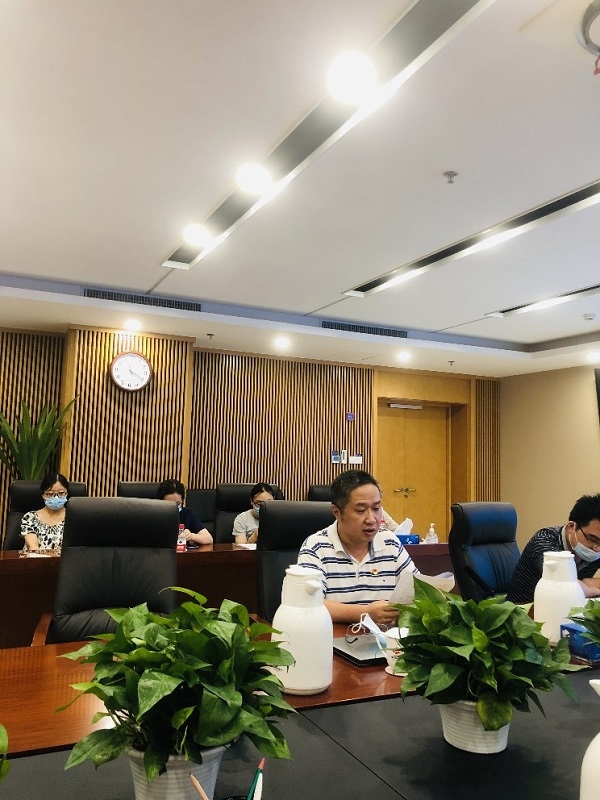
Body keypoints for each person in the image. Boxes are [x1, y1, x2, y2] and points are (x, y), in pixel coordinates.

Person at [297, 469, 419, 626]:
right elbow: (308, 603)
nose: (371, 519)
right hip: (335, 637)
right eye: (361, 510)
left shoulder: (390, 542)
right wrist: (365, 613)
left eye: (376, 508)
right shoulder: (316, 547)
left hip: (386, 638)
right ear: (337, 513)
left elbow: (418, 591)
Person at [507, 493, 600, 604]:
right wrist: (593, 589)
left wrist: (588, 584)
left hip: (566, 608)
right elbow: (563, 585)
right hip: (523, 610)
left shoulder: (596, 546)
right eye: (592, 538)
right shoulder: (544, 540)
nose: (597, 548)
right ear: (571, 527)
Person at [21, 473, 70, 553]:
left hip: (64, 560)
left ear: (67, 494)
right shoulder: (30, 517)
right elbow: (33, 547)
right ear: (43, 495)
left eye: (61, 493)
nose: (56, 497)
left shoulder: (73, 517)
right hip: (35, 559)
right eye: (50, 494)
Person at [157, 479, 213, 546]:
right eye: (169, 504)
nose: (174, 508)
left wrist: (191, 536)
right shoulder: (154, 515)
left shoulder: (187, 514)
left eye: (178, 504)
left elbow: (209, 539)